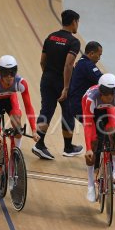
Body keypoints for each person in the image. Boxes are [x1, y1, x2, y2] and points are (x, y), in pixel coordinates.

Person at [32, 9, 83, 160]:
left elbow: (42, 61)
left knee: (46, 110)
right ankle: (68, 147)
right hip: (63, 82)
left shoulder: (50, 37)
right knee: (68, 112)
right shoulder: (74, 41)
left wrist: (48, 75)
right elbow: (68, 65)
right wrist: (66, 87)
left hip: (47, 78)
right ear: (74, 21)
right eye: (77, 22)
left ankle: (39, 143)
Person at [0, 55, 39, 192]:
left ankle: (14, 158)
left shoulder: (21, 83)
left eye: (12, 73)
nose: (9, 77)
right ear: (0, 73)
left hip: (10, 100)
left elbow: (28, 107)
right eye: (5, 73)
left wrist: (34, 129)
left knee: (18, 128)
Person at [82, 73, 115, 202]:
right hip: (92, 111)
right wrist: (88, 148)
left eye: (111, 96)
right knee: (93, 143)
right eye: (105, 96)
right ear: (100, 91)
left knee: (114, 132)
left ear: (114, 93)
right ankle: (90, 185)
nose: (108, 99)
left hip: (108, 111)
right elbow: (88, 125)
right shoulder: (91, 99)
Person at [68, 41, 103, 124]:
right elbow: (103, 80)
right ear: (91, 53)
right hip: (81, 106)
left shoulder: (82, 62)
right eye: (99, 55)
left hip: (77, 104)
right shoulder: (87, 65)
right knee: (102, 125)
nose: (99, 58)